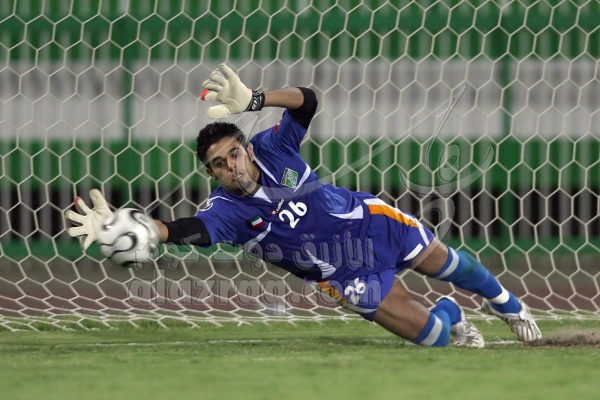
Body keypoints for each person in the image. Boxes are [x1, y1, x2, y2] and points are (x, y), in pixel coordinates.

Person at [66, 64, 542, 347]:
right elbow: (186, 229)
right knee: (435, 338)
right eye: (218, 164)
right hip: (345, 276)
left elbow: (306, 102)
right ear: (211, 174)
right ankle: (451, 315)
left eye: (233, 153)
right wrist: (141, 229)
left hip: (372, 223)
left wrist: (256, 99)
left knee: (449, 264)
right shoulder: (225, 212)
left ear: (247, 149)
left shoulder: (274, 146)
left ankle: (511, 307)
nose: (230, 165)